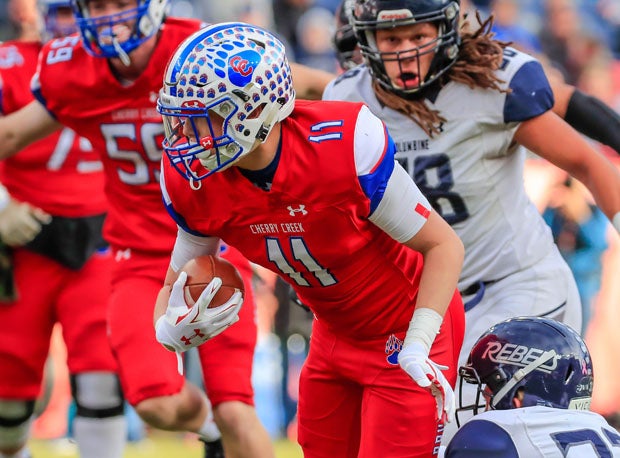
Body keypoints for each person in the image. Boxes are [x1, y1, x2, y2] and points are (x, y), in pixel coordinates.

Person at [0, 0, 335, 455]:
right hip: (137, 255)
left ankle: (225, 428)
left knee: (236, 406)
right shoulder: (73, 67)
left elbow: (307, 85)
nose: (109, 17)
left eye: (120, 3)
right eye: (96, 5)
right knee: (155, 403)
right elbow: (10, 135)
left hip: (215, 243)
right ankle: (212, 434)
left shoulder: (198, 47)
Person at [153, 22, 466, 458]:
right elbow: (173, 284)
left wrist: (419, 342)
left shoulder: (340, 145)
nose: (187, 138)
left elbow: (444, 245)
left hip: (405, 328)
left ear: (253, 109)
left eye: (206, 117)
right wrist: (168, 329)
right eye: (181, 120)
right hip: (333, 335)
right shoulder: (196, 182)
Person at [322, 0, 620, 442]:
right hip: (429, 308)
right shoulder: (346, 99)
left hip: (514, 285)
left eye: (419, 36)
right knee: (427, 438)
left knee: (483, 436)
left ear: (447, 32)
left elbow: (588, 162)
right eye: (392, 39)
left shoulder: (490, 83)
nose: (406, 52)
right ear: (364, 41)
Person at [0, 0, 125, 457]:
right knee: (9, 398)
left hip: (103, 237)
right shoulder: (10, 63)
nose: (72, 25)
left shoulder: (129, 65)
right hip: (24, 238)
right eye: (65, 11)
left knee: (101, 375)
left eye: (80, 12)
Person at [445, 316, 620, 457]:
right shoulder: (612, 434)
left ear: (521, 385)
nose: (485, 395)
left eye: (491, 386)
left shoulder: (495, 434)